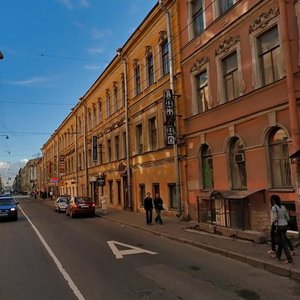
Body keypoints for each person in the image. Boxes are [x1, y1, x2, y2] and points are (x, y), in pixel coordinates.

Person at [270, 195, 293, 264]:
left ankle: (289, 259)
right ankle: (278, 256)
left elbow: (275, 218)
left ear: (273, 201)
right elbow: (288, 217)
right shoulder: (283, 207)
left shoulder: (274, 208)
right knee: (280, 242)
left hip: (279, 226)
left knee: (283, 244)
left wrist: (274, 225)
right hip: (285, 225)